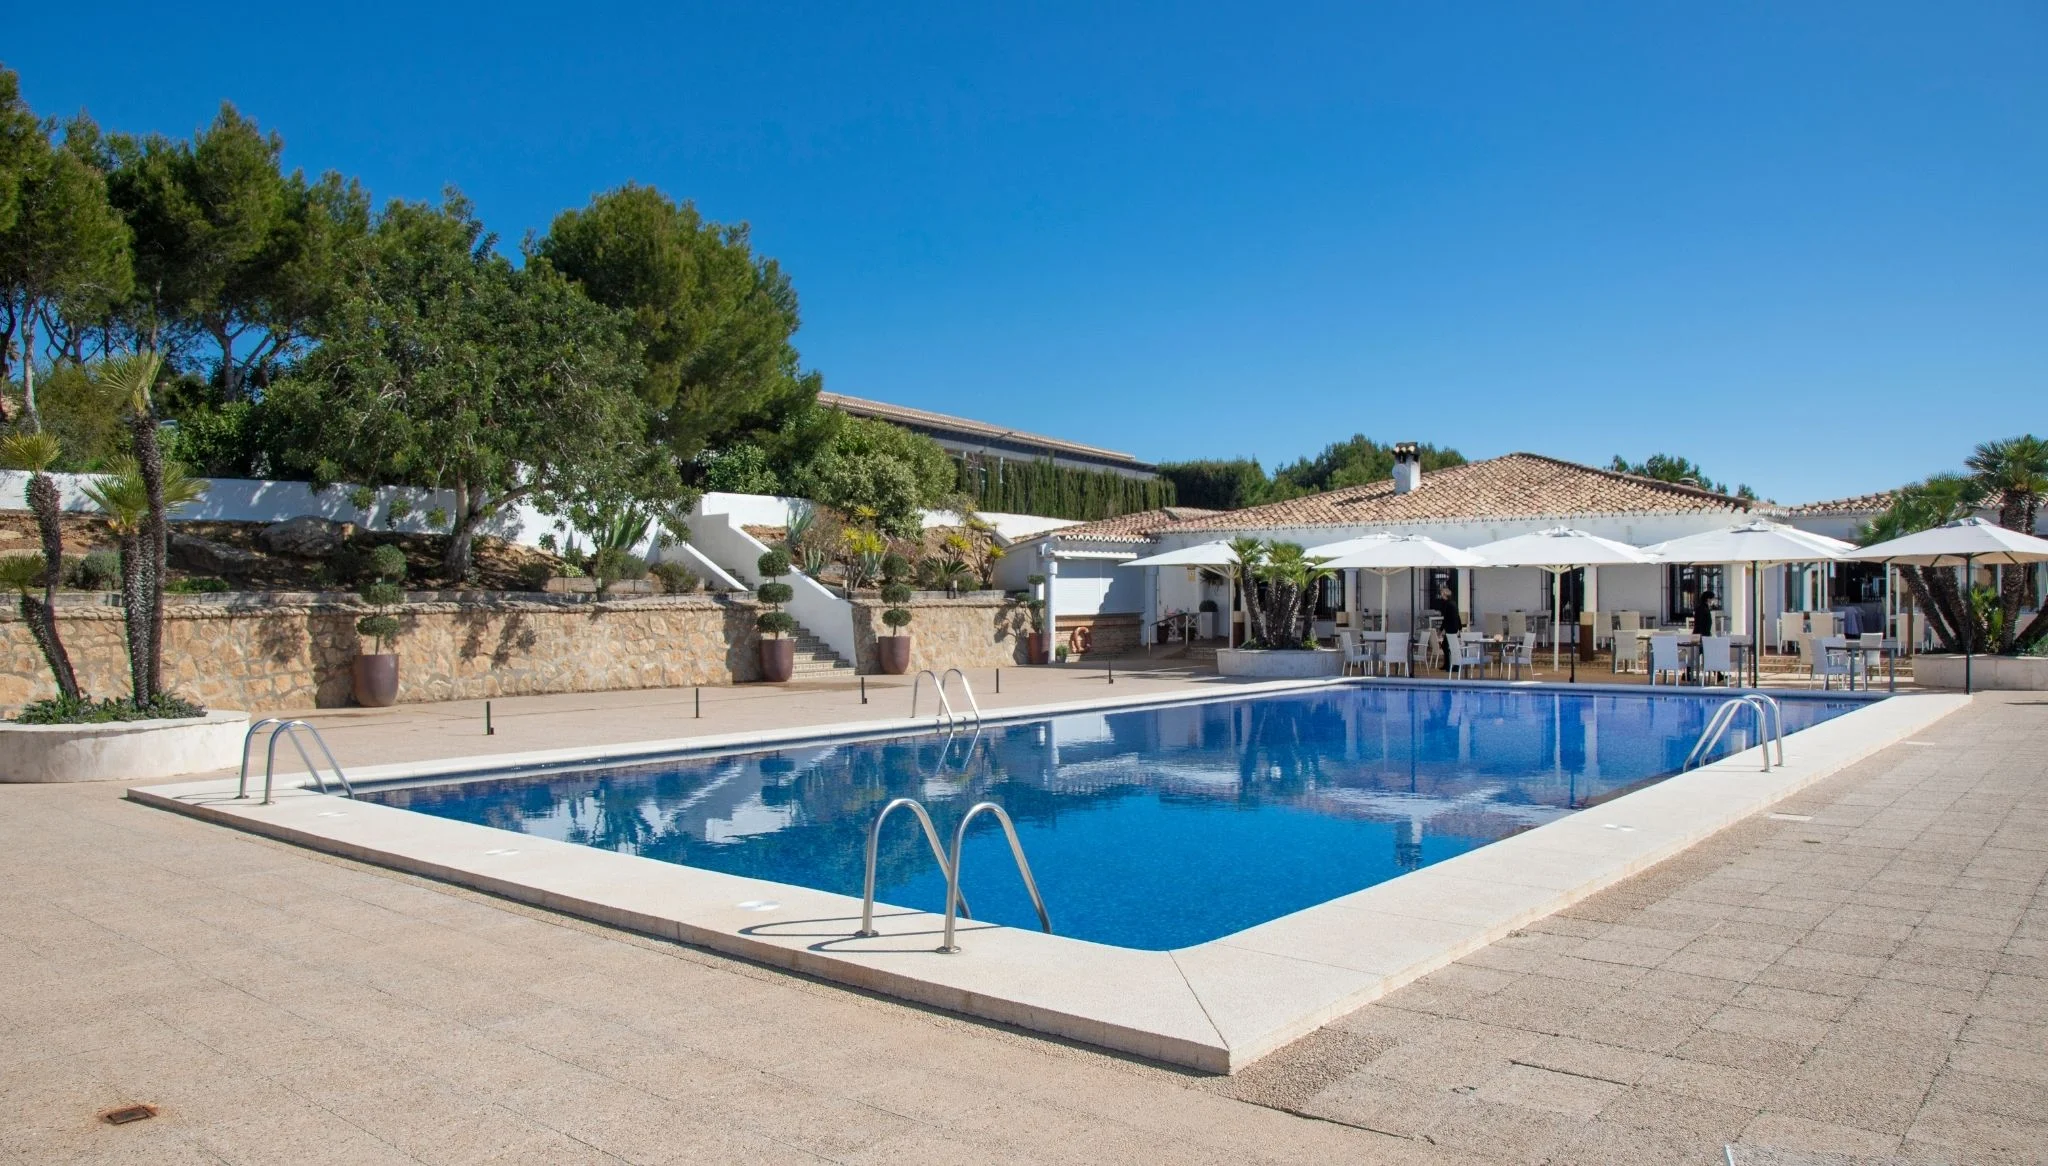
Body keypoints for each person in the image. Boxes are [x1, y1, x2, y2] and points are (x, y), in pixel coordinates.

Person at [1431, 583, 1463, 666]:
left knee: (1447, 646)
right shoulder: (1453, 603)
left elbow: (1446, 618)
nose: (1441, 596)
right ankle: (1448, 664)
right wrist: (1460, 627)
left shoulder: (1448, 604)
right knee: (1448, 646)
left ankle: (1450, 664)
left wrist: (1441, 630)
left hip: (1450, 627)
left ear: (1445, 595)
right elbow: (1457, 616)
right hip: (1454, 627)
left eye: (1442, 594)